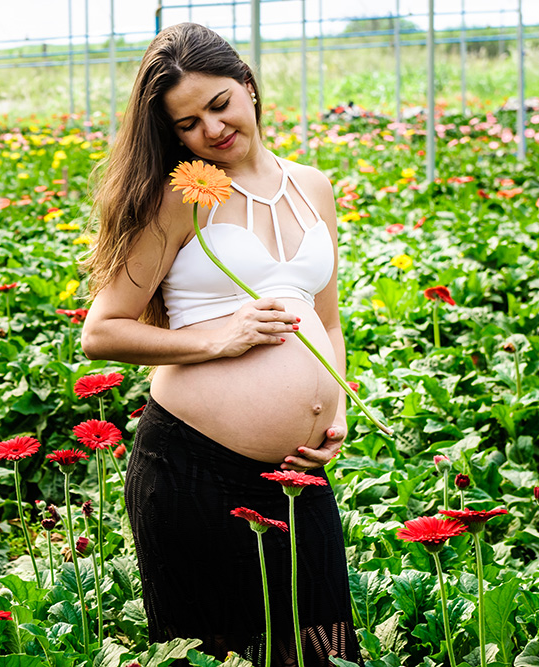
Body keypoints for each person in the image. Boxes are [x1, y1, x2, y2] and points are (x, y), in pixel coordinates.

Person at [80, 22, 362, 666]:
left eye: (219, 103)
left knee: (322, 648)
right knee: (219, 654)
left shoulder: (313, 186)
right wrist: (220, 338)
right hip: (194, 471)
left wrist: (336, 406)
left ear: (249, 88)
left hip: (298, 474)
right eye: (187, 123)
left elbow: (329, 320)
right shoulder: (180, 198)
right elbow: (102, 330)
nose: (211, 129)